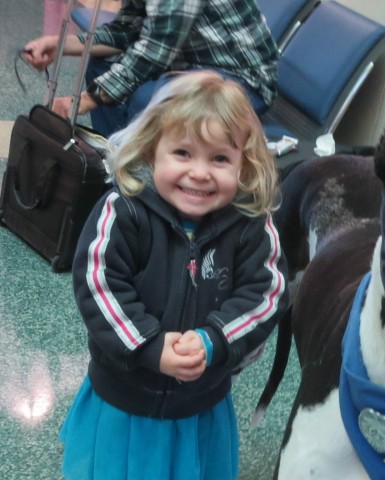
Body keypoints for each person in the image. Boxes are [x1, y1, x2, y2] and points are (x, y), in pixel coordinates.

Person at [60, 70, 288, 479]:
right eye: (183, 153)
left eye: (220, 158)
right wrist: (149, 345)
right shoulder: (123, 209)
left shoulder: (250, 221)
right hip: (124, 402)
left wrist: (214, 339)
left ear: (244, 162)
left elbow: (267, 291)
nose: (200, 173)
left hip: (199, 407)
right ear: (152, 151)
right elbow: (99, 283)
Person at [23, 0, 278, 137]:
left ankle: (142, 181)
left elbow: (155, 50)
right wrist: (60, 45)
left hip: (244, 81)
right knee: (101, 66)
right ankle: (113, 159)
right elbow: (127, 31)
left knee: (146, 99)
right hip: (187, 63)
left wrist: (86, 99)